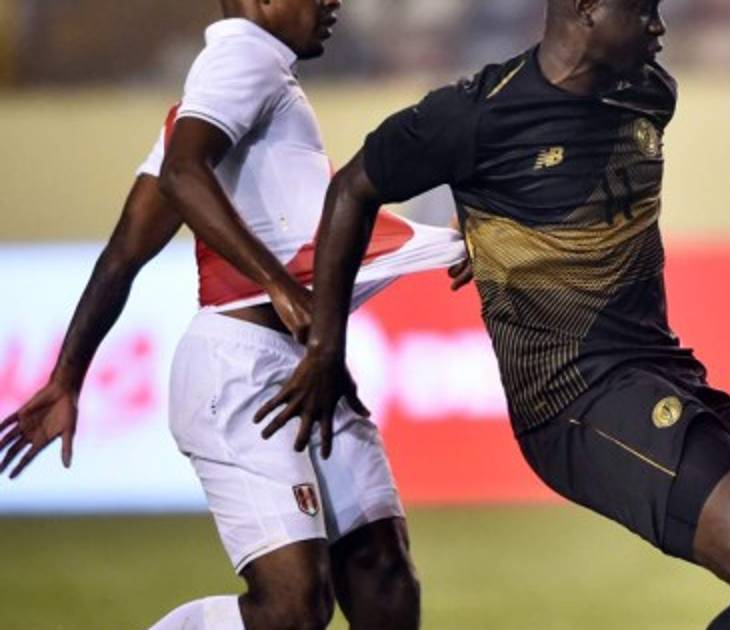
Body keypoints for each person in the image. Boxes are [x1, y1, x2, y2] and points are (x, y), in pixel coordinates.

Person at [259, 1, 730, 628]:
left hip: (663, 369)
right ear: (586, 8)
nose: (659, 26)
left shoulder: (650, 93)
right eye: (642, 10)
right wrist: (326, 345)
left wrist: (494, 226)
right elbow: (352, 189)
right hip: (574, 397)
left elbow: (554, 185)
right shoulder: (477, 114)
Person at [0, 1, 466, 629]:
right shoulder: (243, 56)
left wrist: (67, 377)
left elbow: (125, 250)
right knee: (294, 609)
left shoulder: (228, 92)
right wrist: (278, 286)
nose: (333, 2)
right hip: (240, 373)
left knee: (383, 578)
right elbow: (181, 176)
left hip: (308, 368)